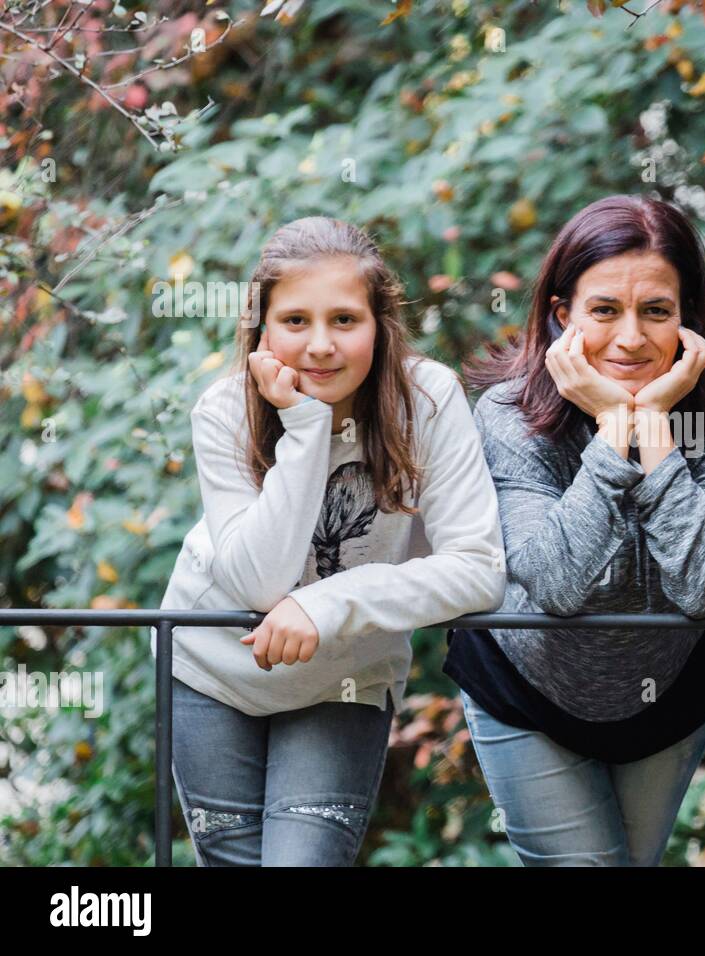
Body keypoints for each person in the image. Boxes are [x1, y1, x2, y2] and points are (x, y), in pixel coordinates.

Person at [157, 216, 506, 866]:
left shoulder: (426, 402)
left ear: (381, 324)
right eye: (295, 321)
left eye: (345, 320)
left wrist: (325, 605)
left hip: (342, 680)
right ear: (262, 328)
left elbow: (478, 569)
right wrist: (306, 426)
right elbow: (258, 583)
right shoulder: (226, 410)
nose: (320, 345)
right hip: (209, 671)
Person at [445, 195, 705, 866]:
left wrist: (652, 430)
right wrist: (614, 431)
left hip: (670, 693)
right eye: (603, 311)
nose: (630, 338)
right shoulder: (507, 415)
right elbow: (557, 586)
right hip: (527, 688)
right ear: (562, 316)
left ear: (688, 321)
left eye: (656, 311)